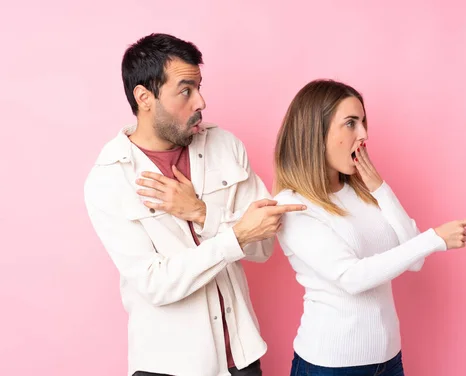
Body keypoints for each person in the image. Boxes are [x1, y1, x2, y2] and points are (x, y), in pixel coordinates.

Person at [83, 33, 305, 376]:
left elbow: (261, 247)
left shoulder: (225, 146)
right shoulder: (110, 179)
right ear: (144, 97)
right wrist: (235, 235)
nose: (200, 101)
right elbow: (156, 284)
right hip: (169, 365)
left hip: (243, 359)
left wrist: (202, 213)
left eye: (199, 87)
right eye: (185, 90)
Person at [273, 79, 466, 375]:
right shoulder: (292, 206)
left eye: (363, 122)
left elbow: (414, 261)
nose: (363, 134)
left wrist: (380, 188)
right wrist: (435, 238)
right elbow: (351, 277)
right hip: (331, 366)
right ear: (316, 133)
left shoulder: (363, 193)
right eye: (351, 123)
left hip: (388, 360)